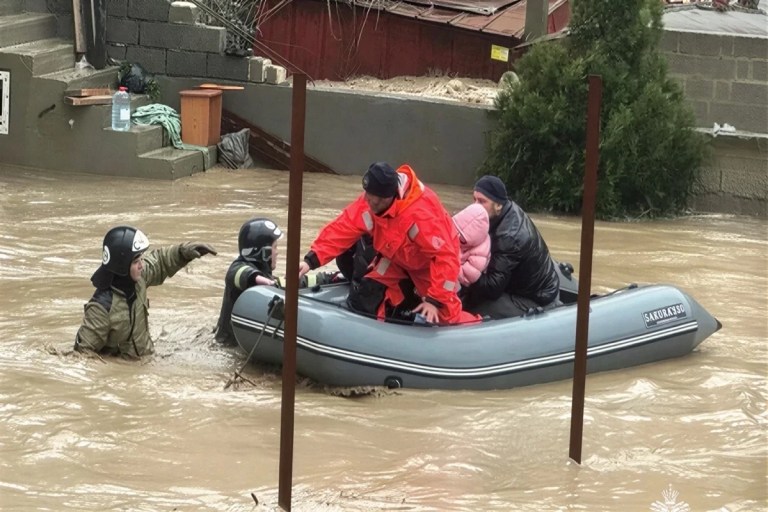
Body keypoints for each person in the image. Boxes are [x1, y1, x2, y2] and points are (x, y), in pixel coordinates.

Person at [298, 162, 475, 325]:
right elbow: (343, 227)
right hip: (395, 259)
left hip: (427, 267)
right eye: (367, 195)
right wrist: (311, 260)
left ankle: (477, 327)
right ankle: (374, 337)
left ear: (387, 197)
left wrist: (434, 300)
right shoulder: (371, 200)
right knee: (368, 292)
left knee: (445, 317)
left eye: (373, 198)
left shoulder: (421, 214)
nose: (368, 201)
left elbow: (445, 256)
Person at [75, 226, 217, 358]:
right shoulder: (101, 308)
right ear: (122, 265)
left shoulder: (139, 280)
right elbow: (83, 355)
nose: (142, 265)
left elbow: (160, 261)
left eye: (141, 259)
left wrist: (183, 252)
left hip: (146, 361)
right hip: (126, 375)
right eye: (136, 261)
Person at [462, 175, 560, 318]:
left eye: (482, 201)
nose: (476, 206)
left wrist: (462, 271)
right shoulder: (502, 211)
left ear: (498, 205)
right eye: (474, 200)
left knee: (469, 310)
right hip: (522, 282)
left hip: (535, 299)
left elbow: (493, 287)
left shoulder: (509, 236)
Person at [214, 217, 283, 346]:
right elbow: (239, 274)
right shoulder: (239, 267)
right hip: (227, 345)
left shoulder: (267, 275)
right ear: (264, 252)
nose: (277, 253)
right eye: (275, 247)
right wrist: (262, 280)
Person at [452, 202, 491, 287]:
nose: (456, 237)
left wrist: (449, 262)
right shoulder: (456, 227)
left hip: (459, 285)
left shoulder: (481, 252)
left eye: (461, 239)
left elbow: (467, 278)